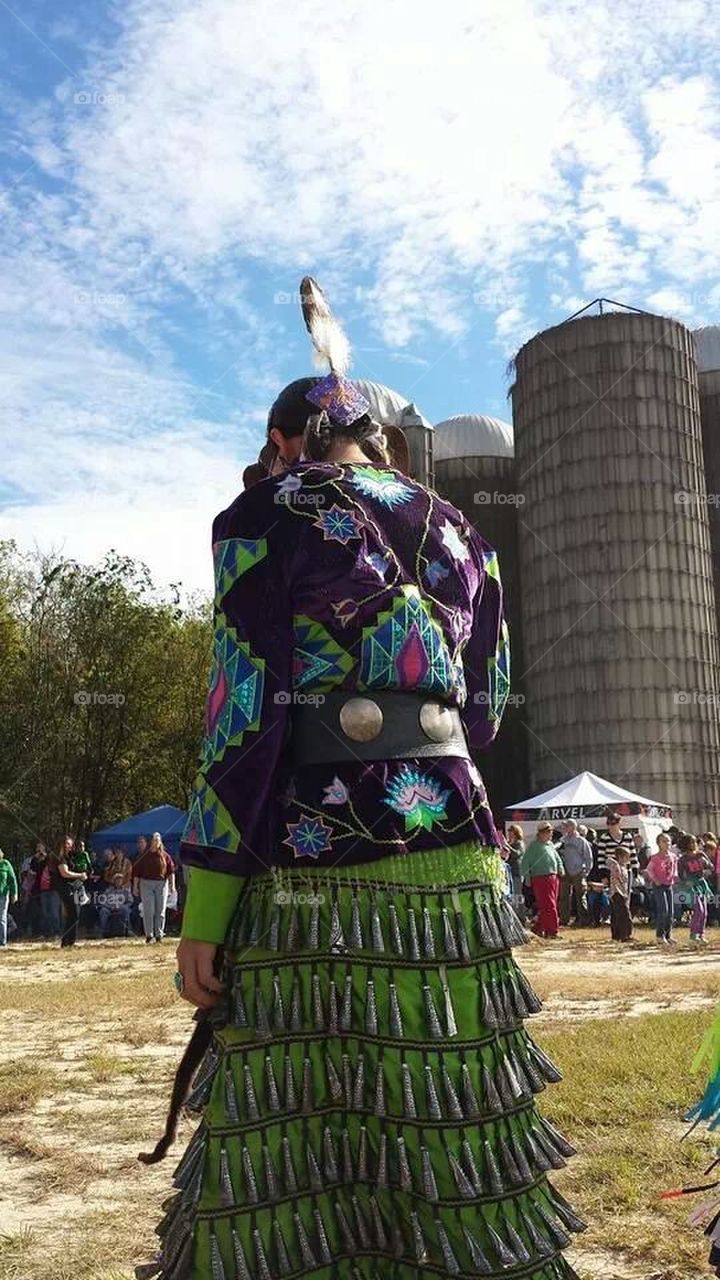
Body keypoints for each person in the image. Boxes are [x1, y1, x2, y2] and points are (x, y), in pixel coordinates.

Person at [137, 278, 584, 1280]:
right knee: (452, 1124)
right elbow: (487, 702)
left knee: (289, 1140)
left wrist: (206, 896)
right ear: (376, 444)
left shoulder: (261, 518)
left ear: (287, 439)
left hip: (308, 868)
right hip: (453, 870)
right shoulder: (463, 531)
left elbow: (246, 712)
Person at [520, 821, 564, 938]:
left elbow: (557, 858)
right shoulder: (533, 846)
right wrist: (527, 879)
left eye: (551, 832)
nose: (550, 835)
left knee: (550, 905)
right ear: (540, 833)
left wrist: (560, 868)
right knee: (549, 906)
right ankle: (552, 932)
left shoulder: (550, 845)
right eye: (548, 832)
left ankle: (538, 928)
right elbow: (524, 864)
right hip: (540, 879)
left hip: (553, 878)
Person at [132, 832, 175, 943]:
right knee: (148, 910)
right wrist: (135, 887)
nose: (155, 842)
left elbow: (171, 872)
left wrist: (172, 885)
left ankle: (159, 934)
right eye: (154, 840)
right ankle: (149, 934)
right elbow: (136, 873)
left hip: (161, 884)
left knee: (160, 910)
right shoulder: (144, 856)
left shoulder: (165, 856)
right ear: (150, 842)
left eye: (157, 840)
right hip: (146, 884)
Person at [50, 839, 88, 948]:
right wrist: (80, 875)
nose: (70, 846)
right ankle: (68, 941)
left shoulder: (69, 857)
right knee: (73, 913)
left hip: (72, 888)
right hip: (65, 889)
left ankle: (68, 941)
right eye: (68, 844)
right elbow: (64, 873)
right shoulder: (60, 858)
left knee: (74, 914)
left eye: (71, 844)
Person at [678, 834, 714, 947]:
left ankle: (701, 934)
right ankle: (693, 934)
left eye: (694, 842)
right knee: (698, 909)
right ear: (685, 845)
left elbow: (711, 867)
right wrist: (685, 881)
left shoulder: (700, 855)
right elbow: (680, 875)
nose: (694, 844)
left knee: (704, 912)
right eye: (691, 842)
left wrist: (706, 863)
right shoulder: (682, 859)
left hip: (701, 883)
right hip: (691, 886)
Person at [645, 832, 679, 950]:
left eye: (668, 841)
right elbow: (649, 870)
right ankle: (660, 935)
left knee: (671, 912)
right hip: (659, 886)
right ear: (659, 844)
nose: (667, 843)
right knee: (662, 910)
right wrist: (655, 880)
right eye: (664, 841)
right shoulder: (655, 858)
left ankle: (668, 935)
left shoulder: (673, 856)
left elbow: (675, 869)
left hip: (669, 885)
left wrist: (674, 877)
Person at [558, 819, 592, 926]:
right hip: (565, 871)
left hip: (578, 871)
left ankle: (584, 920)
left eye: (567, 826)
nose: (565, 828)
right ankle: (564, 919)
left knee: (580, 895)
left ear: (573, 827)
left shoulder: (581, 841)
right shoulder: (562, 840)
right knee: (564, 896)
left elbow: (588, 857)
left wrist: (586, 871)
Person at [28, 841, 61, 938]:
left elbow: (49, 859)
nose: (39, 850)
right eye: (37, 849)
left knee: (54, 912)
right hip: (42, 890)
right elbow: (33, 869)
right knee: (44, 913)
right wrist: (36, 857)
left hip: (53, 890)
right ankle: (46, 933)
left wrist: (44, 854)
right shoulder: (40, 863)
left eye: (40, 848)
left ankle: (56, 932)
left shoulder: (51, 861)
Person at [606, 846, 633, 942]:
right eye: (626, 857)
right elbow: (608, 860)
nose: (627, 859)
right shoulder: (615, 866)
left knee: (617, 914)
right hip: (617, 893)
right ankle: (625, 935)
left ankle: (617, 935)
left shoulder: (625, 868)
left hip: (623, 893)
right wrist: (616, 863)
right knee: (624, 915)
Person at [0, 849, 18, 946]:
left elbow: (12, 879)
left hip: (2, 894)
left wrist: (14, 893)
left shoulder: (5, 863)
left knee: (1, 917)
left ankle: (2, 941)